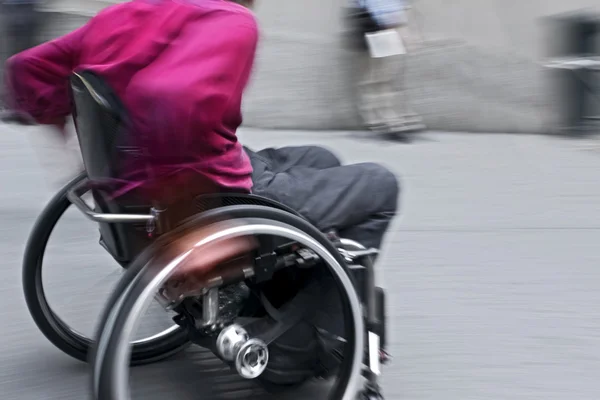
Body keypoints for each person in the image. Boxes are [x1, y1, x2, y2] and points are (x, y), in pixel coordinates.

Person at [3, 0, 398, 386]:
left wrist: (83, 160)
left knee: (320, 157)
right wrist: (182, 215)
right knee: (380, 185)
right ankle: (319, 343)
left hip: (144, 190)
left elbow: (26, 70)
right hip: (214, 194)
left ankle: (277, 294)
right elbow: (166, 99)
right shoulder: (232, 19)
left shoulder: (128, 13)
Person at [346, 0, 425, 141]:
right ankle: (384, 120)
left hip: (391, 24)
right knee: (380, 77)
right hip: (379, 24)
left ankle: (389, 119)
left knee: (388, 75)